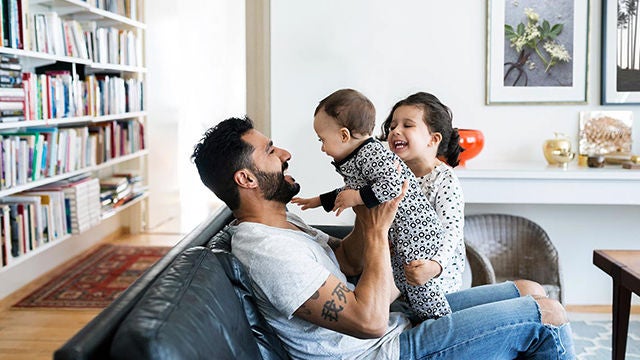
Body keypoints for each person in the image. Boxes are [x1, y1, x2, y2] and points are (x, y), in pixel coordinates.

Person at [191, 116, 576, 359]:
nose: (287, 153)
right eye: (272, 151)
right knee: (548, 316)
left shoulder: (284, 223)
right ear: (247, 179)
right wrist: (376, 231)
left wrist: (368, 204)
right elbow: (370, 321)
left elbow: (346, 263)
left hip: (399, 323)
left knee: (530, 288)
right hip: (384, 349)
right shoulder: (267, 250)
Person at [291, 88, 451, 320]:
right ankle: (419, 317)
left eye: (322, 140)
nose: (322, 148)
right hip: (400, 235)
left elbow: (393, 185)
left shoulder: (371, 153)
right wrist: (318, 201)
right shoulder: (357, 156)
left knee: (419, 286)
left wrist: (356, 198)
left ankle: (440, 321)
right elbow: (354, 189)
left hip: (417, 232)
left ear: (344, 136)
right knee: (401, 280)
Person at [379, 92, 465, 293]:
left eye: (407, 125)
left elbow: (451, 231)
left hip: (437, 285)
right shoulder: (391, 175)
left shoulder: (444, 180)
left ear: (433, 139)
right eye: (392, 126)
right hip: (397, 280)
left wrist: (435, 265)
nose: (396, 131)